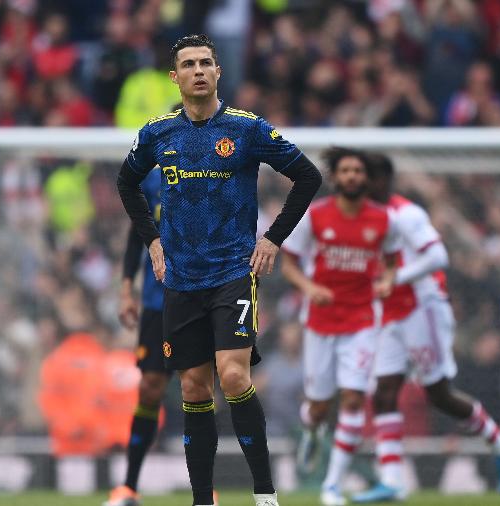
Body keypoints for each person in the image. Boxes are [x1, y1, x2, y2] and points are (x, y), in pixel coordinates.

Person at [116, 33, 322, 506]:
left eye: (206, 62)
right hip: (181, 278)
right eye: (188, 64)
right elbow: (126, 183)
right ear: (176, 77)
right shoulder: (157, 133)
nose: (198, 71)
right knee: (193, 385)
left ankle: (265, 494)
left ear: (218, 72)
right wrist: (151, 240)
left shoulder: (247, 129)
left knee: (233, 377)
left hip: (233, 270)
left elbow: (308, 175)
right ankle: (202, 501)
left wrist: (272, 239)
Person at [351, 152, 500, 502]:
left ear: (380, 180)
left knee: (438, 394)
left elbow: (437, 256)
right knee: (383, 391)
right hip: (393, 313)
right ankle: (393, 481)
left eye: (363, 176)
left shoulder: (407, 214)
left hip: (423, 308)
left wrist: (398, 276)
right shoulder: (366, 217)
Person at [279, 147, 399, 506]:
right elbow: (289, 265)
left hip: (362, 320)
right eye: (345, 171)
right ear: (336, 177)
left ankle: (332, 485)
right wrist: (310, 287)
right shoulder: (315, 217)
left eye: (357, 171)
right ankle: (311, 432)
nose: (352, 176)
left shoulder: (382, 220)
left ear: (365, 178)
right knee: (319, 406)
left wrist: (388, 280)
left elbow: (391, 261)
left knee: (352, 398)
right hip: (320, 323)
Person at [105, 167, 178, 506]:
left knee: (199, 386)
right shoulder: (154, 180)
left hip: (204, 296)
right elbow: (138, 235)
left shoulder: (218, 172)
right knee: (149, 387)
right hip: (157, 300)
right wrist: (125, 290)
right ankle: (129, 488)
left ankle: (205, 491)